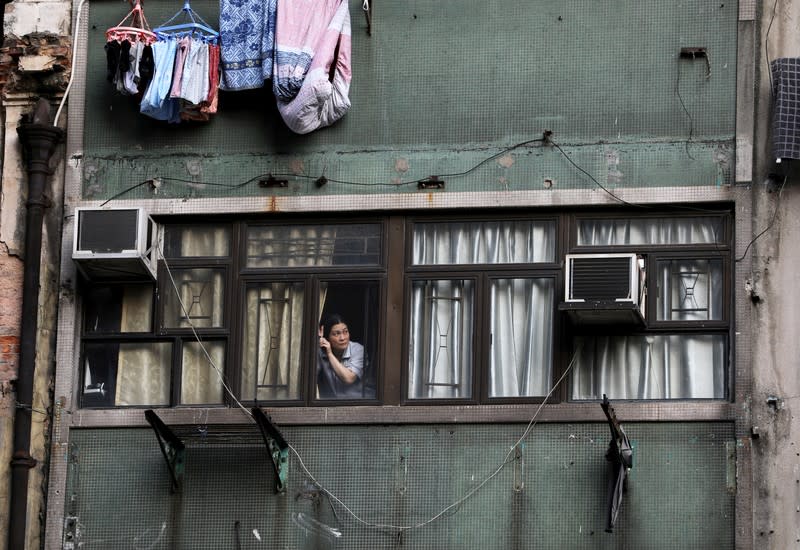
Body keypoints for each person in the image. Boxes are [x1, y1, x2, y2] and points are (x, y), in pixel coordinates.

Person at [317, 314, 365, 399]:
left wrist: (330, 354)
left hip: (355, 406)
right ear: (327, 337)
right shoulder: (321, 351)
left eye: (345, 332)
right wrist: (317, 340)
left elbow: (348, 378)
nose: (342, 338)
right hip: (329, 406)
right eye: (336, 334)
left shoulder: (358, 350)